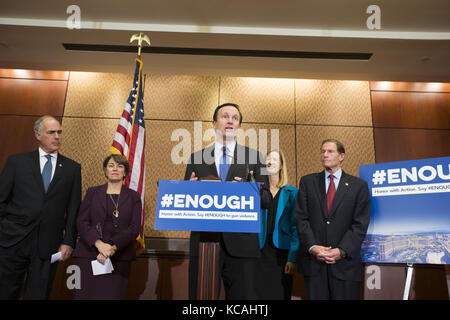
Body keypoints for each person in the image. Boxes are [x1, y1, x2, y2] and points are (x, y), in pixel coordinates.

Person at [184, 102, 269, 300]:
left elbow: (267, 201)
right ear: (214, 123)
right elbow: (185, 201)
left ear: (239, 126)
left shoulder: (255, 157)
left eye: (235, 118)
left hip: (242, 246)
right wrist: (188, 189)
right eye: (225, 116)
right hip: (205, 243)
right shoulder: (196, 158)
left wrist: (249, 191)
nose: (230, 120)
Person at [0, 115, 81, 299]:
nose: (57, 136)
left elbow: (73, 208)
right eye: (51, 132)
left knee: (39, 294)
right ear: (37, 135)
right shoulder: (17, 162)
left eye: (59, 132)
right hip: (13, 241)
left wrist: (68, 241)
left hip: (48, 244)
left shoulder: (72, 168)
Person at [294, 139, 370, 300]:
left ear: (341, 156)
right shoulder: (307, 182)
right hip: (314, 265)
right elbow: (301, 219)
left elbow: (360, 224)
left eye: (330, 151)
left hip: (345, 266)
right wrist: (313, 247)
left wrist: (341, 251)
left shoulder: (359, 186)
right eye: (322, 151)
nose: (325, 155)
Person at [72, 154, 142, 300]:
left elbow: (134, 228)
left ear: (126, 172)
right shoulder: (92, 192)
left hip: (119, 258)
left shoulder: (134, 197)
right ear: (105, 170)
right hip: (88, 255)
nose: (115, 169)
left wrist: (111, 248)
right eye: (111, 166)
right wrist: (99, 245)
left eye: (120, 166)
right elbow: (82, 221)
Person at [257, 150, 299, 300]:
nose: (270, 161)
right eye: (267, 159)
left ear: (281, 165)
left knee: (280, 294)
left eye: (274, 159)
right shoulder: (257, 190)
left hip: (281, 254)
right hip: (258, 250)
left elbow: (296, 227)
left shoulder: (292, 193)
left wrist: (292, 258)